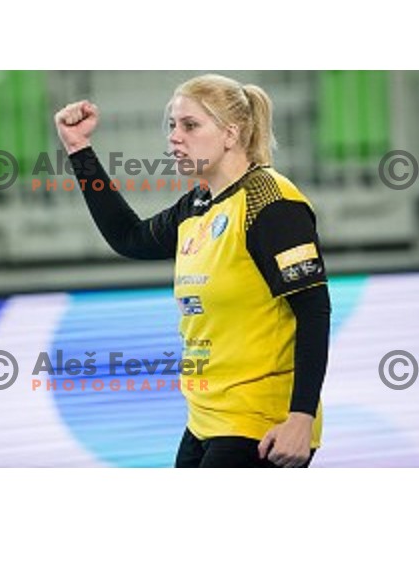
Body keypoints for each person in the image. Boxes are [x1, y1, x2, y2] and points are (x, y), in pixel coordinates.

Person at [54, 74, 331, 468]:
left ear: (230, 134)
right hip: (205, 421)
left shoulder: (271, 201)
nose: (174, 137)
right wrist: (79, 149)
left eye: (190, 125)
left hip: (261, 422)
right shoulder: (197, 205)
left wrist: (301, 418)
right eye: (172, 125)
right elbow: (128, 237)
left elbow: (314, 312)